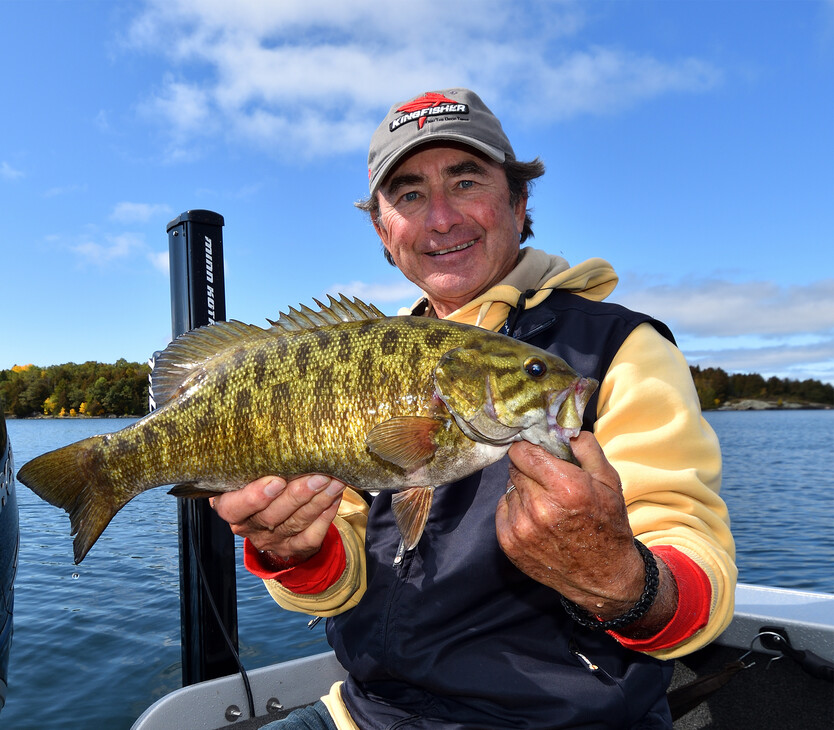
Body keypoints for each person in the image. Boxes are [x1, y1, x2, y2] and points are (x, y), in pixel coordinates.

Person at [210, 88, 735, 729]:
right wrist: (294, 550)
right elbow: (336, 583)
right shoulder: (364, 356)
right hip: (369, 713)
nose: (440, 218)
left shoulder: (618, 348)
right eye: (408, 195)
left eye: (465, 181)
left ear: (518, 202)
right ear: (383, 229)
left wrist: (624, 579)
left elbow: (695, 569)